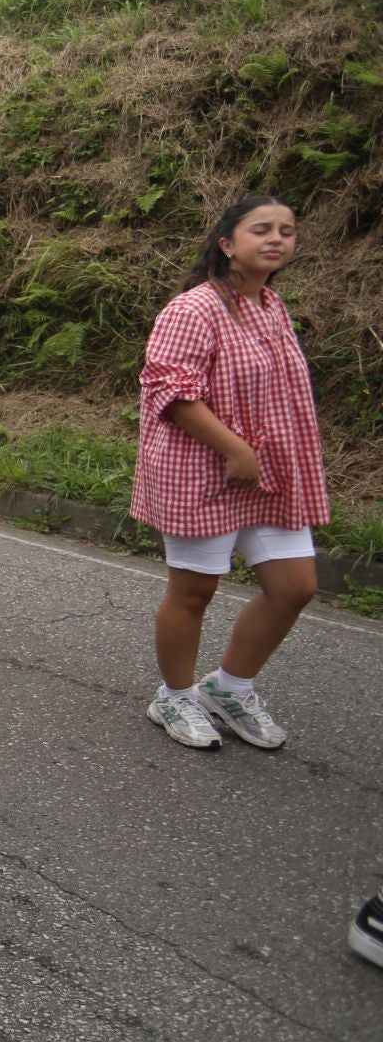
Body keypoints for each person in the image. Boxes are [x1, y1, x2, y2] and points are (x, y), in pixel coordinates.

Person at [131, 196, 324, 752]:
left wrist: (262, 453)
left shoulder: (271, 305)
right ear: (226, 244)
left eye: (286, 231)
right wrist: (235, 448)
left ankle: (230, 687)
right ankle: (174, 694)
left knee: (295, 587)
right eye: (261, 229)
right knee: (194, 591)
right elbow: (167, 388)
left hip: (269, 472)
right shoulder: (193, 309)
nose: (276, 239)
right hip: (204, 470)